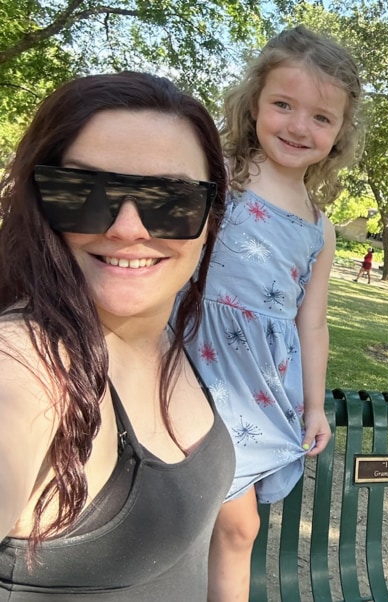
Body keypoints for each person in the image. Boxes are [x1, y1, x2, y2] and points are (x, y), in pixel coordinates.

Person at [0, 72, 234, 599]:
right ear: (40, 201)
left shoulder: (169, 336)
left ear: (210, 218)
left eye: (171, 200)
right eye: (84, 191)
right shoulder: (30, 362)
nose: (128, 228)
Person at [181, 25, 363, 601]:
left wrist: (314, 406)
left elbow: (312, 322)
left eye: (320, 117)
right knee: (213, 520)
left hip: (258, 381)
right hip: (192, 361)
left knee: (237, 526)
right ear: (254, 103)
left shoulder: (319, 225)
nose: (297, 126)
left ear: (338, 133)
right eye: (283, 104)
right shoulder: (220, 175)